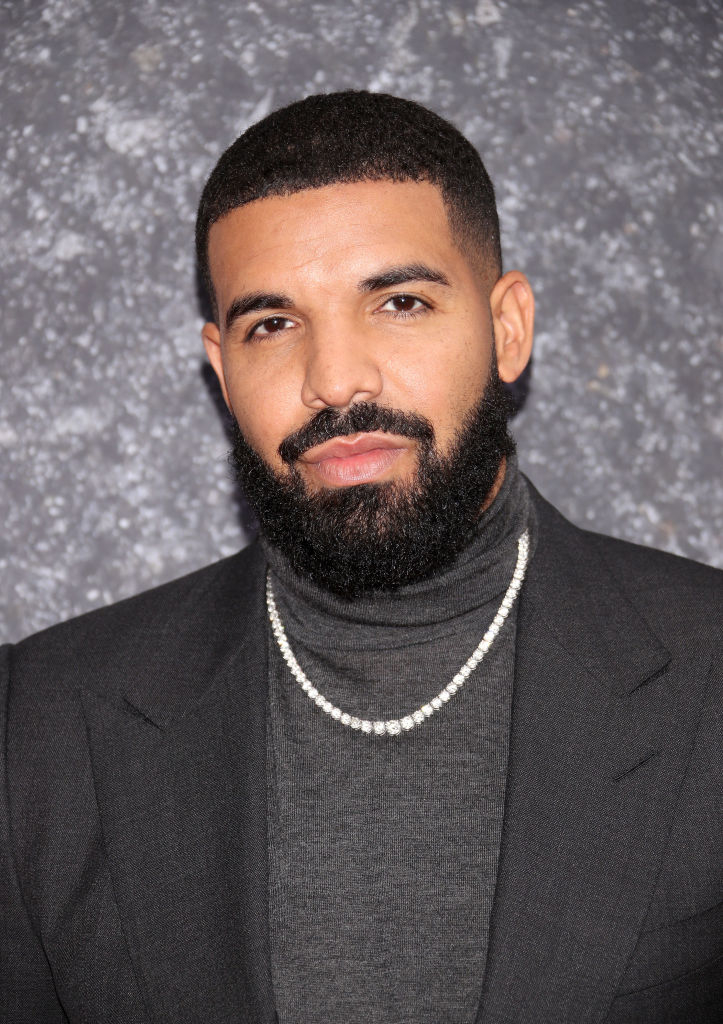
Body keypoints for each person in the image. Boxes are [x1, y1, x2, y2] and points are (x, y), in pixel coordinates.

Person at [1, 91, 720, 1024]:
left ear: (508, 329)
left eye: (400, 302)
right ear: (220, 369)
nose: (335, 379)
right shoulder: (40, 725)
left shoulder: (708, 670)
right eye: (272, 324)